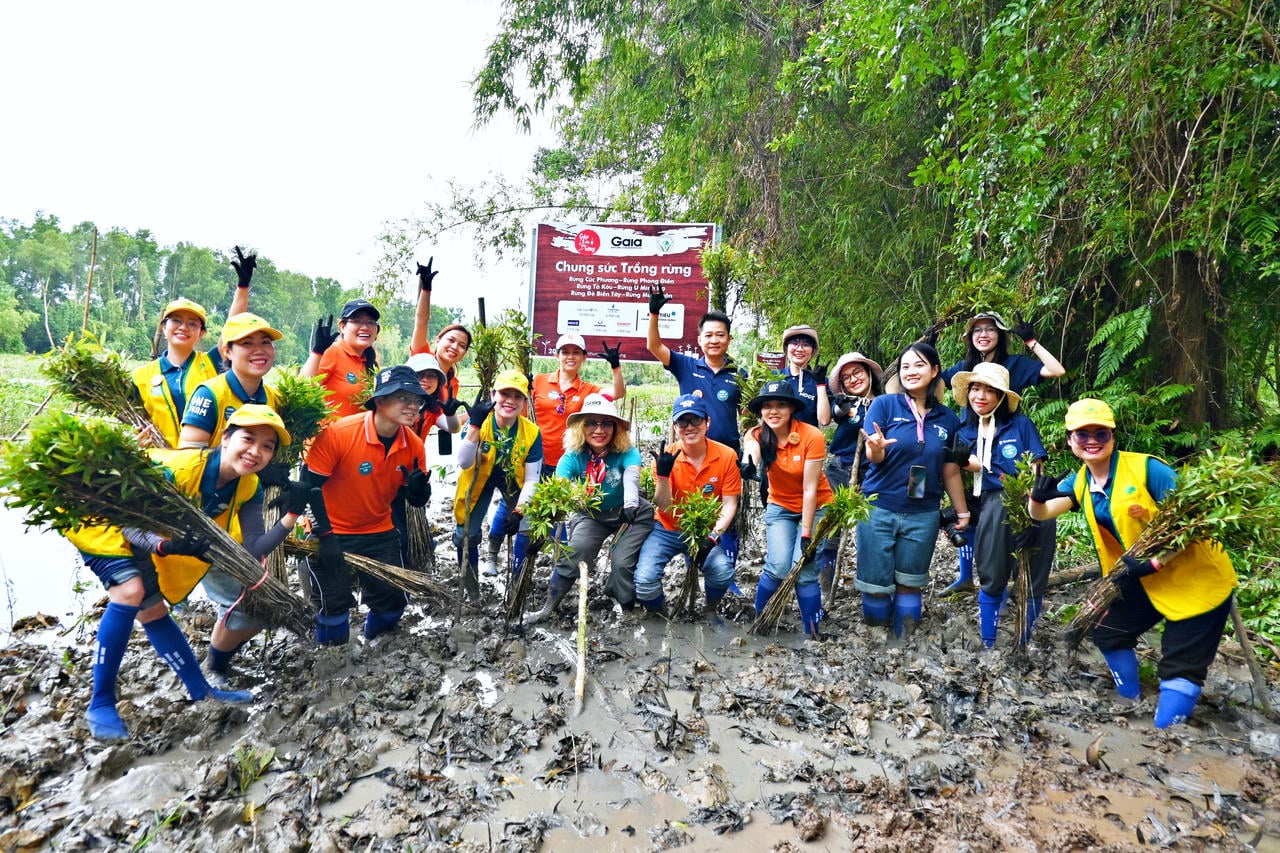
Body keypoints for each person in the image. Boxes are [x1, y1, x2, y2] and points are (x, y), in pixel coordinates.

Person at [64, 404, 302, 739]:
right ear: (225, 438)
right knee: (130, 592)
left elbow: (252, 549)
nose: (255, 452)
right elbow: (133, 525)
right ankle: (100, 703)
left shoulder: (248, 487)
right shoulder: (178, 469)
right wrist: (166, 547)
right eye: (248, 439)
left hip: (144, 532)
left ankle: (200, 690)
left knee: (154, 610)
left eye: (267, 447)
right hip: (101, 516)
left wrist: (290, 516)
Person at [1029, 398, 1238, 728]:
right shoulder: (1080, 482)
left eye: (1101, 432)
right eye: (1082, 434)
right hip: (1143, 576)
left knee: (1180, 664)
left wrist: (1156, 561)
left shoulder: (1148, 469)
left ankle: (1165, 734)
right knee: (1107, 631)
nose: (1092, 440)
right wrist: (1036, 498)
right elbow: (1042, 514)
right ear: (1070, 440)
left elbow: (1195, 521)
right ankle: (1130, 700)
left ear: (1113, 436)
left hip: (1196, 577)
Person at [302, 366, 432, 644]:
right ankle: (334, 656)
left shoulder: (415, 446)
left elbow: (414, 499)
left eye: (417, 400)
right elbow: (310, 487)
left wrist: (421, 492)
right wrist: (325, 535)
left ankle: (371, 643)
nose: (412, 406)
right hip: (330, 530)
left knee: (394, 602)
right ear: (380, 400)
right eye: (403, 398)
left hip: (378, 530)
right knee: (333, 606)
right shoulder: (339, 434)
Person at [940, 310, 1066, 593]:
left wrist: (1032, 341)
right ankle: (966, 576)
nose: (983, 335)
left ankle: (1008, 581)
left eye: (990, 329)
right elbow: (931, 384)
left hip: (1006, 444)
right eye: (977, 330)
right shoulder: (965, 366)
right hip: (970, 443)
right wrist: (926, 350)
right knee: (968, 512)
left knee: (999, 515)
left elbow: (1057, 371)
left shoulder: (1014, 365)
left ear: (1001, 335)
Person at [482, 332, 626, 576]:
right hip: (528, 459)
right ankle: (493, 553)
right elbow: (512, 408)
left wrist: (615, 365)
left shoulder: (588, 390)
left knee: (550, 516)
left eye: (576, 352)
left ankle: (548, 568)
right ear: (556, 355)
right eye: (565, 352)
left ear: (584, 358)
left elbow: (618, 393)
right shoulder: (537, 381)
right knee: (512, 506)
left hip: (563, 465)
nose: (570, 356)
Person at [856, 342, 970, 638]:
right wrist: (876, 448)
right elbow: (874, 457)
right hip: (879, 508)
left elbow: (950, 469)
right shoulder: (884, 405)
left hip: (923, 513)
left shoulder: (948, 418)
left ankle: (902, 646)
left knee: (910, 582)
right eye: (905, 366)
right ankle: (877, 647)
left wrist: (962, 511)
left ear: (934, 371)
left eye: (918, 365)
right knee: (876, 585)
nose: (910, 371)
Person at [952, 362, 1052, 648]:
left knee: (1034, 573)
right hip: (994, 500)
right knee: (992, 572)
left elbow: (1036, 466)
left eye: (989, 390)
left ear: (1001, 396)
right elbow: (977, 466)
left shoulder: (1020, 424)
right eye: (975, 389)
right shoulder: (967, 431)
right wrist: (959, 458)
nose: (980, 396)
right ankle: (989, 643)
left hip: (1032, 498)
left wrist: (1034, 510)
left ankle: (1023, 641)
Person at [531, 394, 654, 622]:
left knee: (621, 562)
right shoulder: (572, 458)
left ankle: (626, 608)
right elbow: (560, 489)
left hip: (630, 514)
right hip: (591, 514)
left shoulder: (628, 452)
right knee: (576, 551)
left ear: (616, 428)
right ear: (581, 426)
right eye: (592, 422)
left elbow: (631, 477)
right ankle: (548, 608)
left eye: (606, 423)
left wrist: (630, 503)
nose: (599, 430)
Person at [133, 248, 253, 447]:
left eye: (192, 323)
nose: (183, 327)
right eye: (176, 321)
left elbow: (232, 329)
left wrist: (243, 287)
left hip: (203, 465)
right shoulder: (140, 376)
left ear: (201, 333)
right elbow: (133, 420)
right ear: (163, 327)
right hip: (158, 465)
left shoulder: (210, 364)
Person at [635, 394, 742, 617]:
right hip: (667, 529)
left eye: (696, 420)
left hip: (704, 530)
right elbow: (664, 507)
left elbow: (730, 504)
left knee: (722, 572)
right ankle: (661, 616)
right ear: (675, 426)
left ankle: (710, 610)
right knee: (644, 581)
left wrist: (713, 537)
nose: (689, 427)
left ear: (707, 423)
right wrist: (663, 477)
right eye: (683, 421)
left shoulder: (727, 456)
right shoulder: (665, 459)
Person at [741, 381, 833, 638]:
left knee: (804, 570)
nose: (773, 411)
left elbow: (810, 490)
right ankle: (761, 623)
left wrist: (806, 535)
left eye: (780, 404)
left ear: (791, 408)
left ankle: (812, 633)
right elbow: (752, 451)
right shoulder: (757, 434)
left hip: (817, 506)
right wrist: (748, 463)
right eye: (767, 406)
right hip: (780, 505)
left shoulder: (811, 436)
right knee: (779, 565)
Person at [452, 370, 543, 601]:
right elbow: (463, 462)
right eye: (504, 393)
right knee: (466, 533)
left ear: (525, 402)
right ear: (493, 394)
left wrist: (518, 510)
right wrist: (473, 426)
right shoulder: (479, 422)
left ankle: (516, 589)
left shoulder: (531, 433)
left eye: (517, 396)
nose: (510, 401)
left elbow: (532, 479)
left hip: (514, 481)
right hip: (477, 478)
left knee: (525, 526)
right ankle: (472, 593)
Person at [646, 285, 742, 455]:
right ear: (699, 340)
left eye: (720, 335)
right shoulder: (685, 366)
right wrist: (654, 314)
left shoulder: (740, 375)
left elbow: (746, 415)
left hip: (728, 455)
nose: (714, 340)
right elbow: (654, 346)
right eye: (708, 335)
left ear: (729, 339)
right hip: (691, 453)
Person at [818, 351, 883, 593]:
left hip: (873, 474)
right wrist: (842, 409)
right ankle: (825, 584)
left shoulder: (884, 403)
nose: (853, 379)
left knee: (872, 528)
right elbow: (833, 414)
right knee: (831, 529)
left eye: (857, 372)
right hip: (839, 470)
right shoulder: (844, 402)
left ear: (868, 374)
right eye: (846, 377)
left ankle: (869, 583)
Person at [179, 313, 282, 448]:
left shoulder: (275, 398)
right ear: (227, 351)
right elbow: (189, 460)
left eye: (265, 342)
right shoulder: (209, 395)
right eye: (247, 343)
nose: (259, 350)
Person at [301, 298, 381, 419]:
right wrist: (317, 352)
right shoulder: (332, 352)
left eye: (370, 322)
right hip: (329, 435)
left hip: (357, 436)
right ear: (342, 326)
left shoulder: (370, 363)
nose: (365, 327)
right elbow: (303, 391)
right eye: (357, 321)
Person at [409, 257, 471, 407]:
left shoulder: (452, 384)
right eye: (451, 340)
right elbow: (421, 320)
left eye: (462, 345)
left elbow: (442, 418)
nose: (455, 347)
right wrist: (426, 288)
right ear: (438, 340)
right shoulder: (421, 357)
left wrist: (479, 413)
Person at [776, 325, 830, 427]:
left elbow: (824, 420)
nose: (800, 349)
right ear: (786, 348)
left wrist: (821, 384)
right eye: (795, 343)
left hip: (808, 441)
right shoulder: (775, 377)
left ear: (813, 350)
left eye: (806, 345)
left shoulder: (820, 381)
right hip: (777, 441)